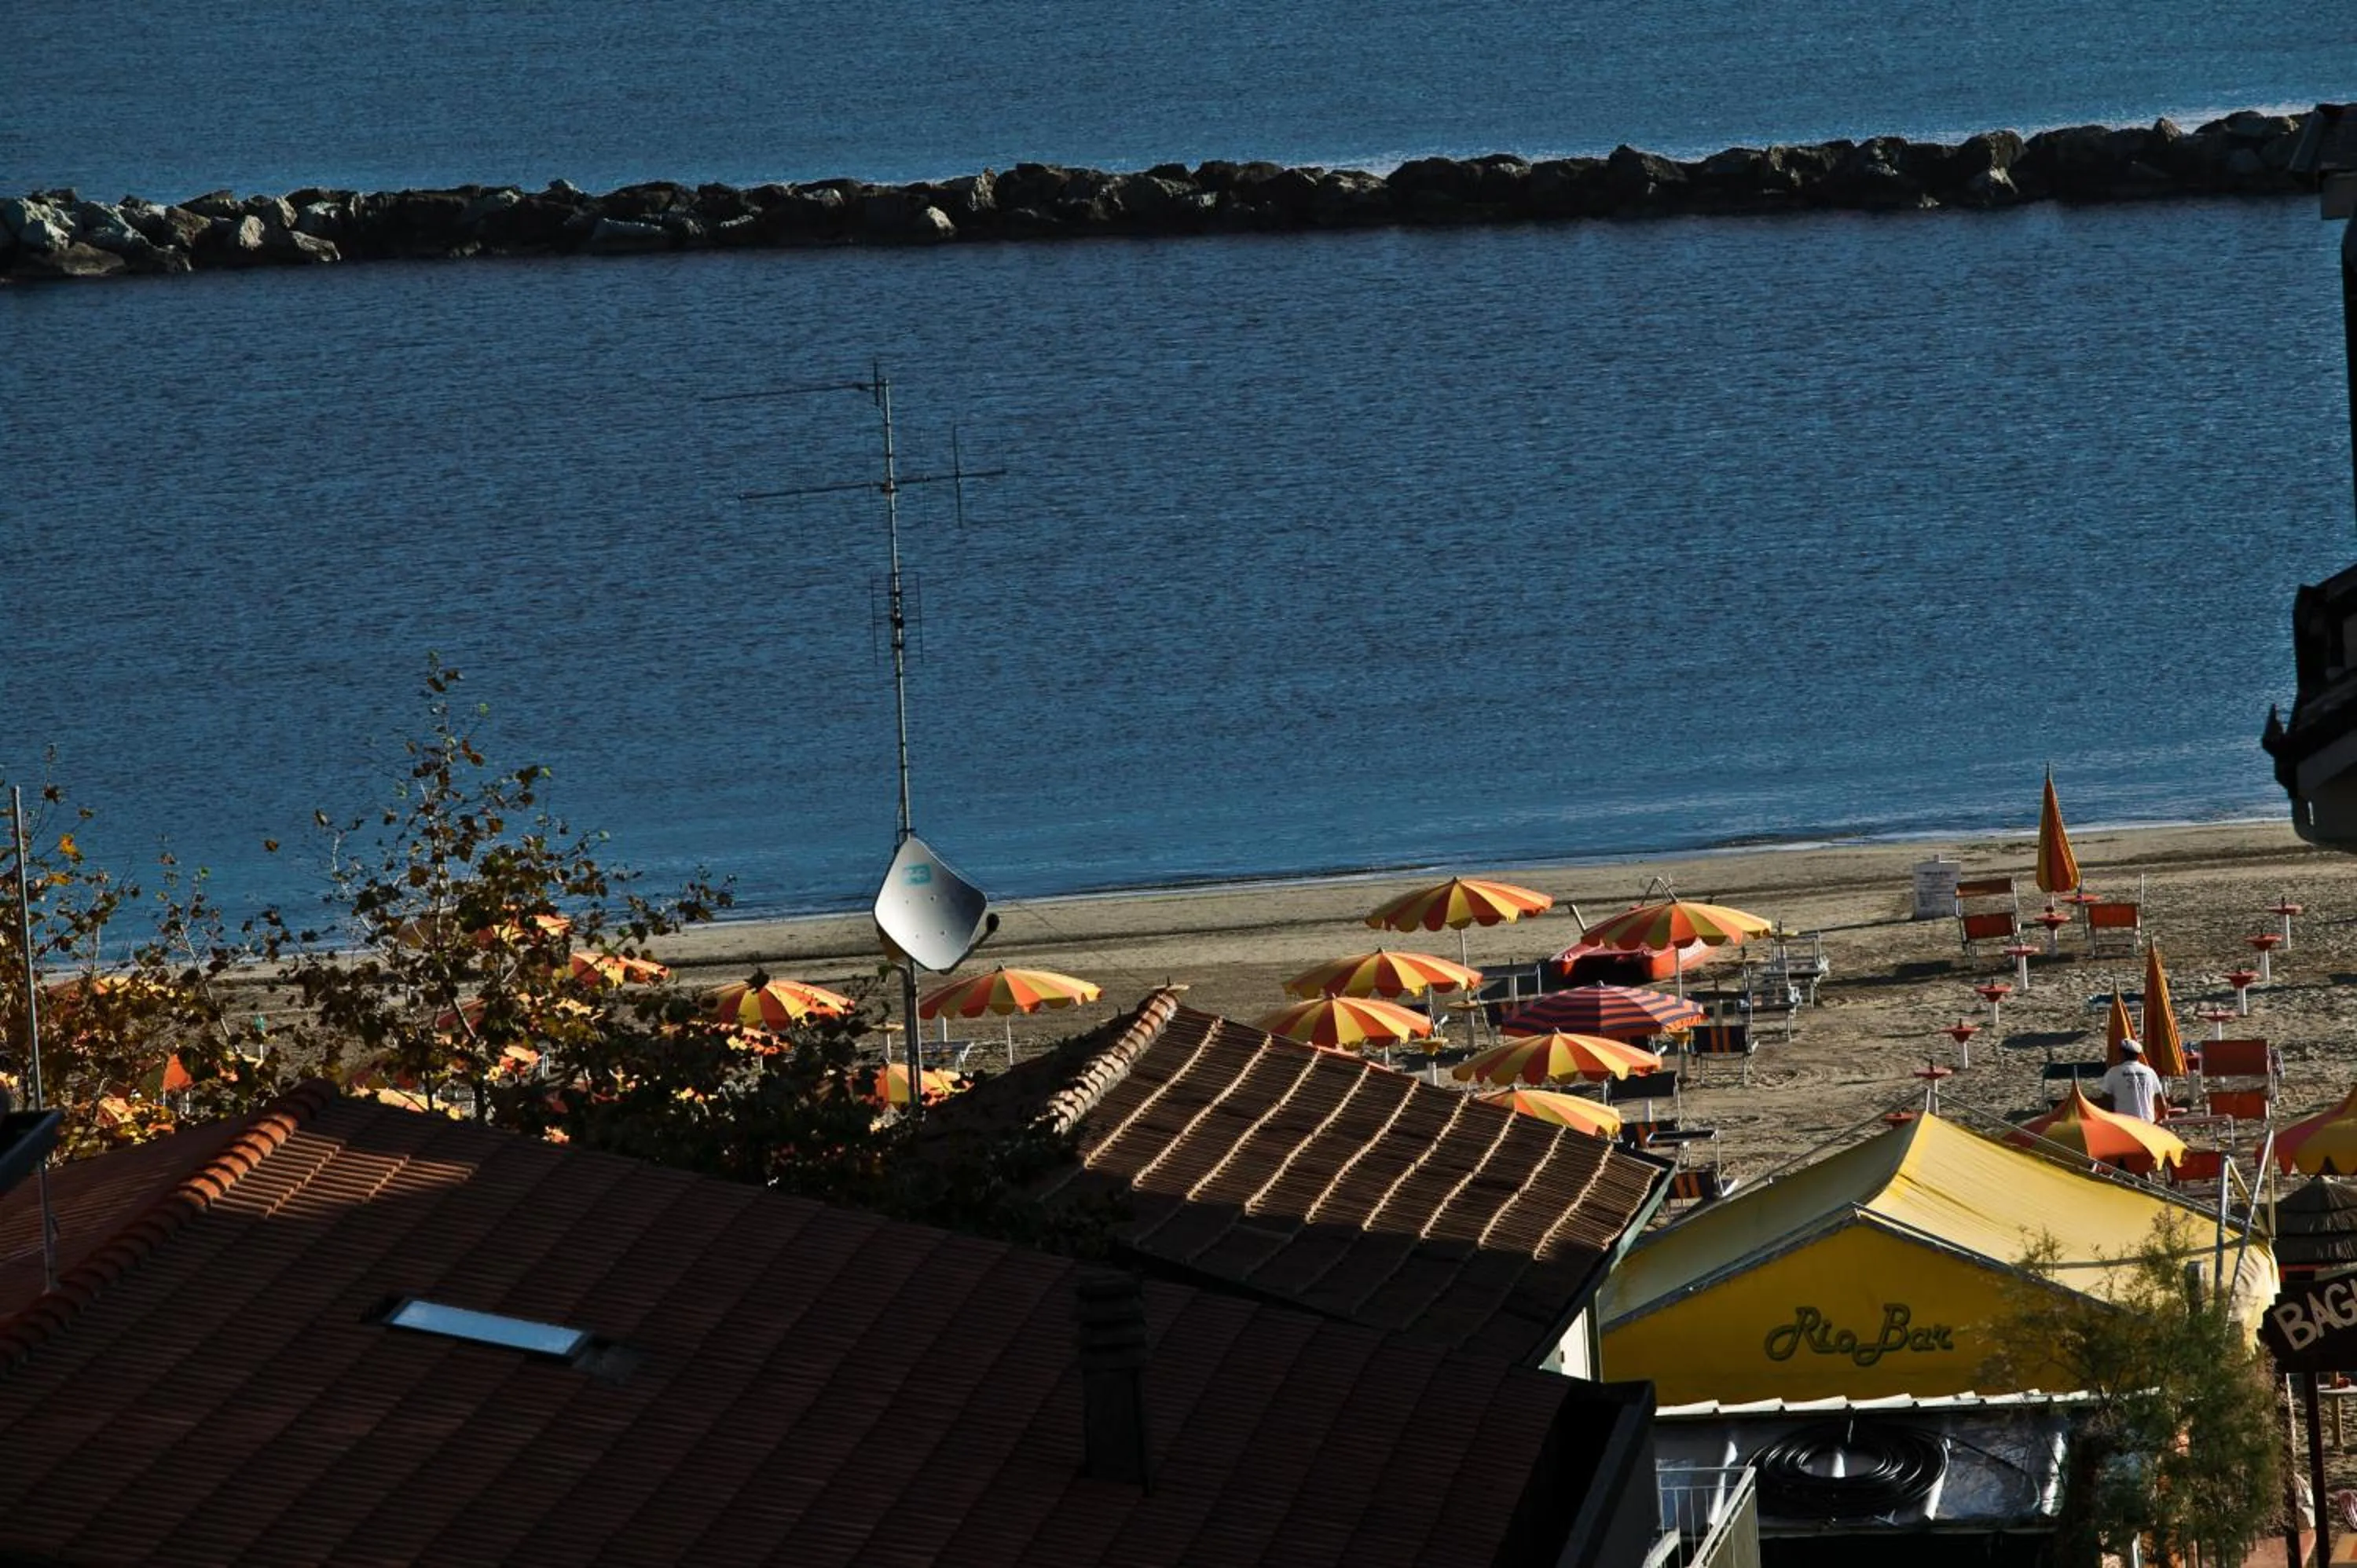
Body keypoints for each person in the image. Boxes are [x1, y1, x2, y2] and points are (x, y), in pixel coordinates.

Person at [2099, 1037, 2162, 1122]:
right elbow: (2160, 1101)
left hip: (2125, 1124)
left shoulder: (2113, 1073)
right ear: (2138, 1055)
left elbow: (2106, 1101)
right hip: (2148, 1123)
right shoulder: (2150, 1072)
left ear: (2122, 1054)